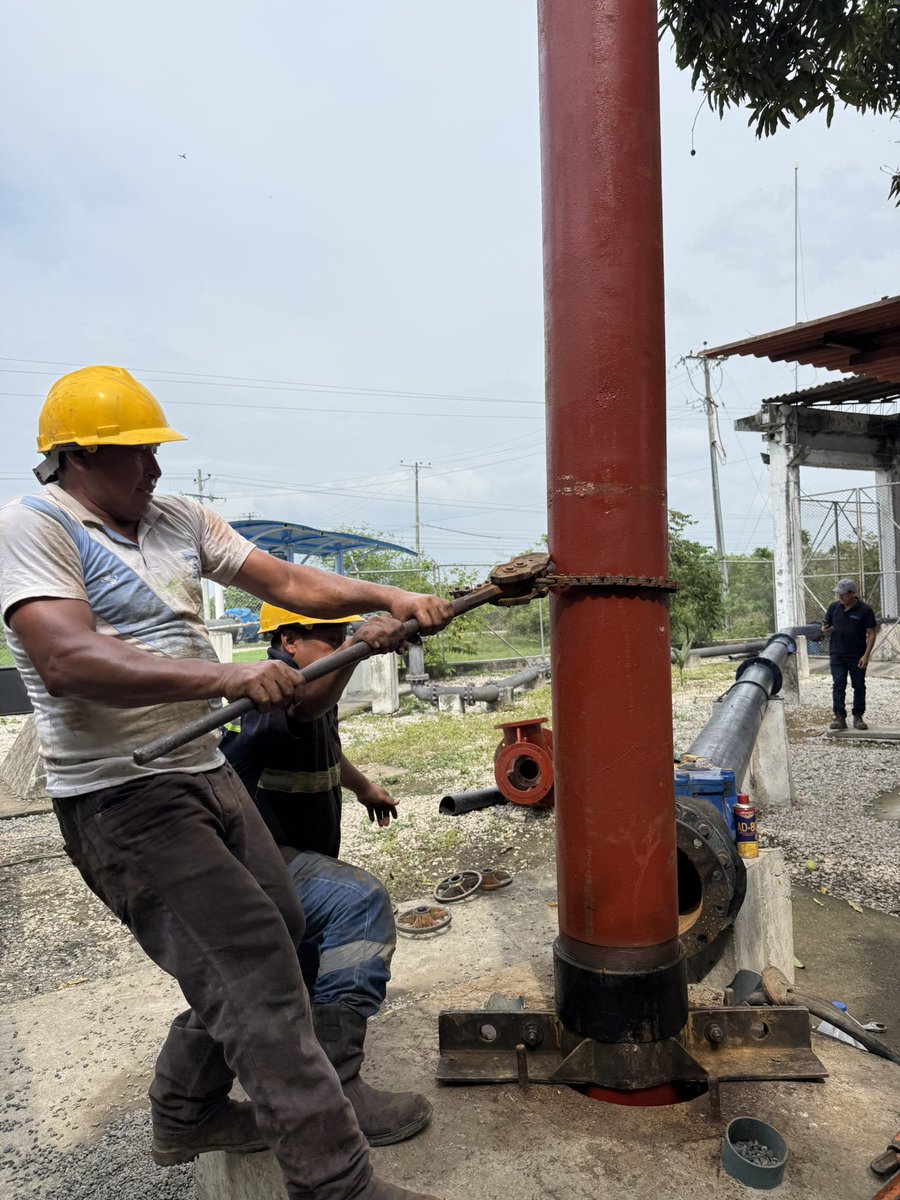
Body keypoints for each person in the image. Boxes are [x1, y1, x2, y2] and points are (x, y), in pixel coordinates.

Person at [0, 365, 453, 1200]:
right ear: (74, 458)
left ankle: (187, 1112)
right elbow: (65, 659)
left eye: (155, 452)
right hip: (121, 794)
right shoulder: (36, 527)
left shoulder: (175, 517)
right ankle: (335, 1184)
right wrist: (229, 679)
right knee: (253, 973)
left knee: (285, 930)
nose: (155, 470)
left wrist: (390, 594)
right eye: (136, 455)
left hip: (202, 771)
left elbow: (285, 583)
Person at [220, 605, 429, 1148]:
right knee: (356, 902)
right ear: (288, 641)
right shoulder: (271, 695)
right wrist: (359, 646)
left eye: (343, 635)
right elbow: (305, 707)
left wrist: (362, 787)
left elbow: (323, 734)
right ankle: (339, 1093)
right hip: (261, 860)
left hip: (292, 852)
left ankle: (299, 1067)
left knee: (309, 960)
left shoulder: (315, 691)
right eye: (330, 636)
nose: (342, 645)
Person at [821, 579, 877, 731]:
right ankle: (839, 717)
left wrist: (866, 655)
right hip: (837, 654)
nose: (840, 597)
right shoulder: (833, 608)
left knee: (858, 685)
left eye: (843, 594)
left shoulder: (864, 610)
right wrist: (825, 630)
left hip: (857, 655)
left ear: (852, 593)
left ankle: (858, 716)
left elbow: (871, 634)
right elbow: (827, 626)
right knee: (838, 685)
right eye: (838, 594)